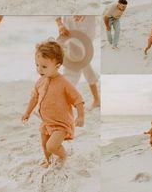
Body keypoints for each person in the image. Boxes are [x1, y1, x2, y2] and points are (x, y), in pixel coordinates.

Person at [22, 40, 84, 169]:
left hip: (61, 124)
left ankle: (63, 156)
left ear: (57, 65)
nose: (39, 69)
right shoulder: (40, 81)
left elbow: (77, 98)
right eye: (37, 65)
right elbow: (34, 97)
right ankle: (49, 161)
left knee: (52, 145)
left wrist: (81, 116)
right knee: (45, 145)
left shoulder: (64, 83)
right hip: (46, 122)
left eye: (44, 67)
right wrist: (27, 112)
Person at [56, 16, 100, 110]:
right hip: (70, 41)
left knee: (83, 66)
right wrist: (60, 24)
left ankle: (96, 100)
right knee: (81, 67)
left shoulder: (90, 20)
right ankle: (97, 99)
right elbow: (56, 11)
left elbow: (87, 41)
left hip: (83, 42)